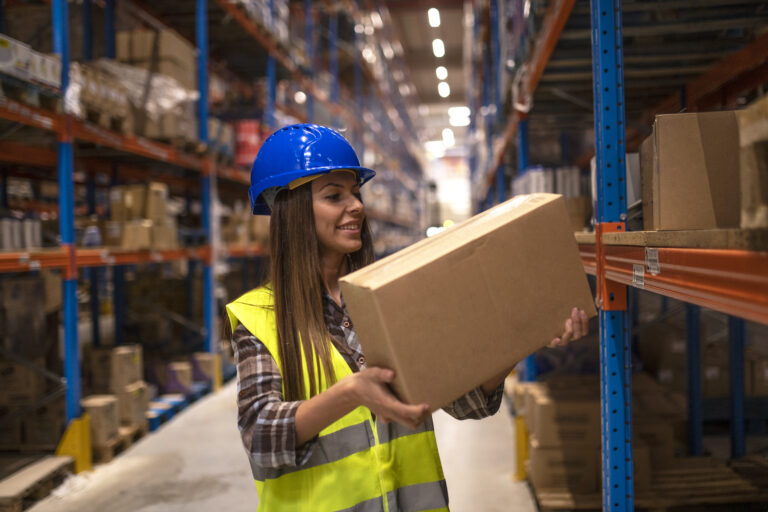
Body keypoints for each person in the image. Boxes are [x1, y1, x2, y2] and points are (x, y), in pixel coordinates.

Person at [226, 123, 589, 511]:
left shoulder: (384, 294)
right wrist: (350, 393)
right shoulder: (259, 316)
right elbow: (261, 436)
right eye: (334, 196)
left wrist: (524, 333)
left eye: (355, 193)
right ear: (291, 212)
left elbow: (464, 402)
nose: (356, 206)